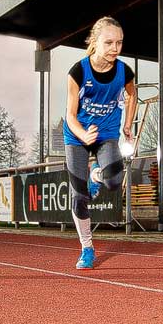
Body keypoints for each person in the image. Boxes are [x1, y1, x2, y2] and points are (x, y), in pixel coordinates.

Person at [62, 17, 136, 270]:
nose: (115, 48)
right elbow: (70, 115)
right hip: (77, 136)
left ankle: (97, 178)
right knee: (79, 197)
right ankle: (87, 248)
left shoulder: (124, 71)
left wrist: (128, 124)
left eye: (119, 42)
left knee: (115, 183)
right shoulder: (78, 72)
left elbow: (132, 94)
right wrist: (82, 135)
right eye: (109, 42)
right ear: (94, 43)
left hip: (106, 135)